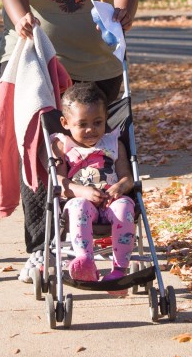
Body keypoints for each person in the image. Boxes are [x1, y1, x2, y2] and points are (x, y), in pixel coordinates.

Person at [0, 0, 140, 282]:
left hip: (99, 65)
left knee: (97, 155)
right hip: (40, 63)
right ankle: (40, 248)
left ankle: (99, 234)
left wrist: (122, 11)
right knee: (42, 156)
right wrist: (20, 14)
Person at [51, 83, 135, 285]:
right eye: (82, 124)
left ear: (105, 118)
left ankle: (119, 270)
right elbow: (60, 182)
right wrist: (83, 192)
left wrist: (120, 188)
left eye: (98, 122)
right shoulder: (62, 145)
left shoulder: (115, 143)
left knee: (125, 207)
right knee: (79, 206)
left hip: (110, 204)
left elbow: (127, 177)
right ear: (65, 122)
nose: (91, 129)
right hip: (80, 202)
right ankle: (85, 261)